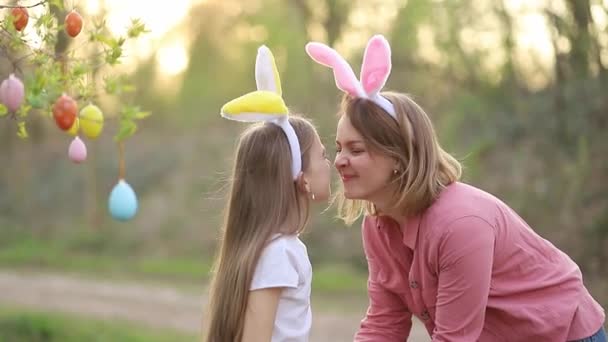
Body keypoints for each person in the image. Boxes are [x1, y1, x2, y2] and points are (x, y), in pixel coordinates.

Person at [305, 34, 606, 341]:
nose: (340, 160)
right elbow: (385, 325)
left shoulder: (459, 225)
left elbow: (454, 339)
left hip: (565, 334)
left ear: (398, 156)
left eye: (356, 150)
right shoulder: (378, 228)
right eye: (339, 148)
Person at [204, 45, 331, 342]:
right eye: (322, 156)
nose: (331, 164)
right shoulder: (277, 253)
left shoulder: (278, 247)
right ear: (301, 178)